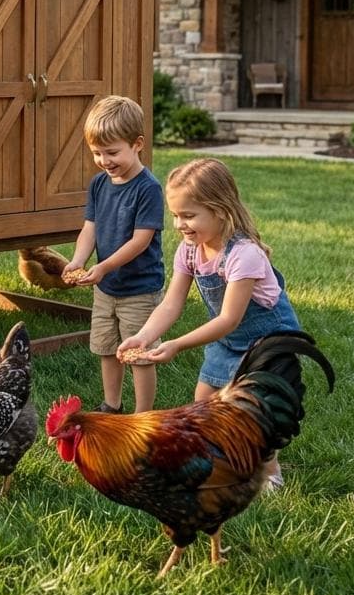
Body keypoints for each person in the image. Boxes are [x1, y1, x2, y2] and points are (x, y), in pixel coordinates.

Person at [118, 157, 302, 489]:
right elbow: (172, 303)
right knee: (203, 403)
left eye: (189, 215)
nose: (180, 224)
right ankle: (219, 462)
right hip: (228, 339)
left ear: (220, 210)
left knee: (255, 412)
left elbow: (230, 318)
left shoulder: (244, 254)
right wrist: (144, 336)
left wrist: (176, 344)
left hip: (266, 341)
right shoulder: (190, 251)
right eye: (175, 215)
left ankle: (270, 473)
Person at [63, 95, 164, 414]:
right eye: (97, 153)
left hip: (139, 289)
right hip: (106, 288)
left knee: (138, 355)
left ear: (137, 144)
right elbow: (89, 229)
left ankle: (143, 416)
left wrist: (104, 266)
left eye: (112, 152)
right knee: (107, 348)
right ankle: (112, 405)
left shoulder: (148, 188)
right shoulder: (98, 184)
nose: (104, 160)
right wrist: (78, 260)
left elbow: (141, 241)